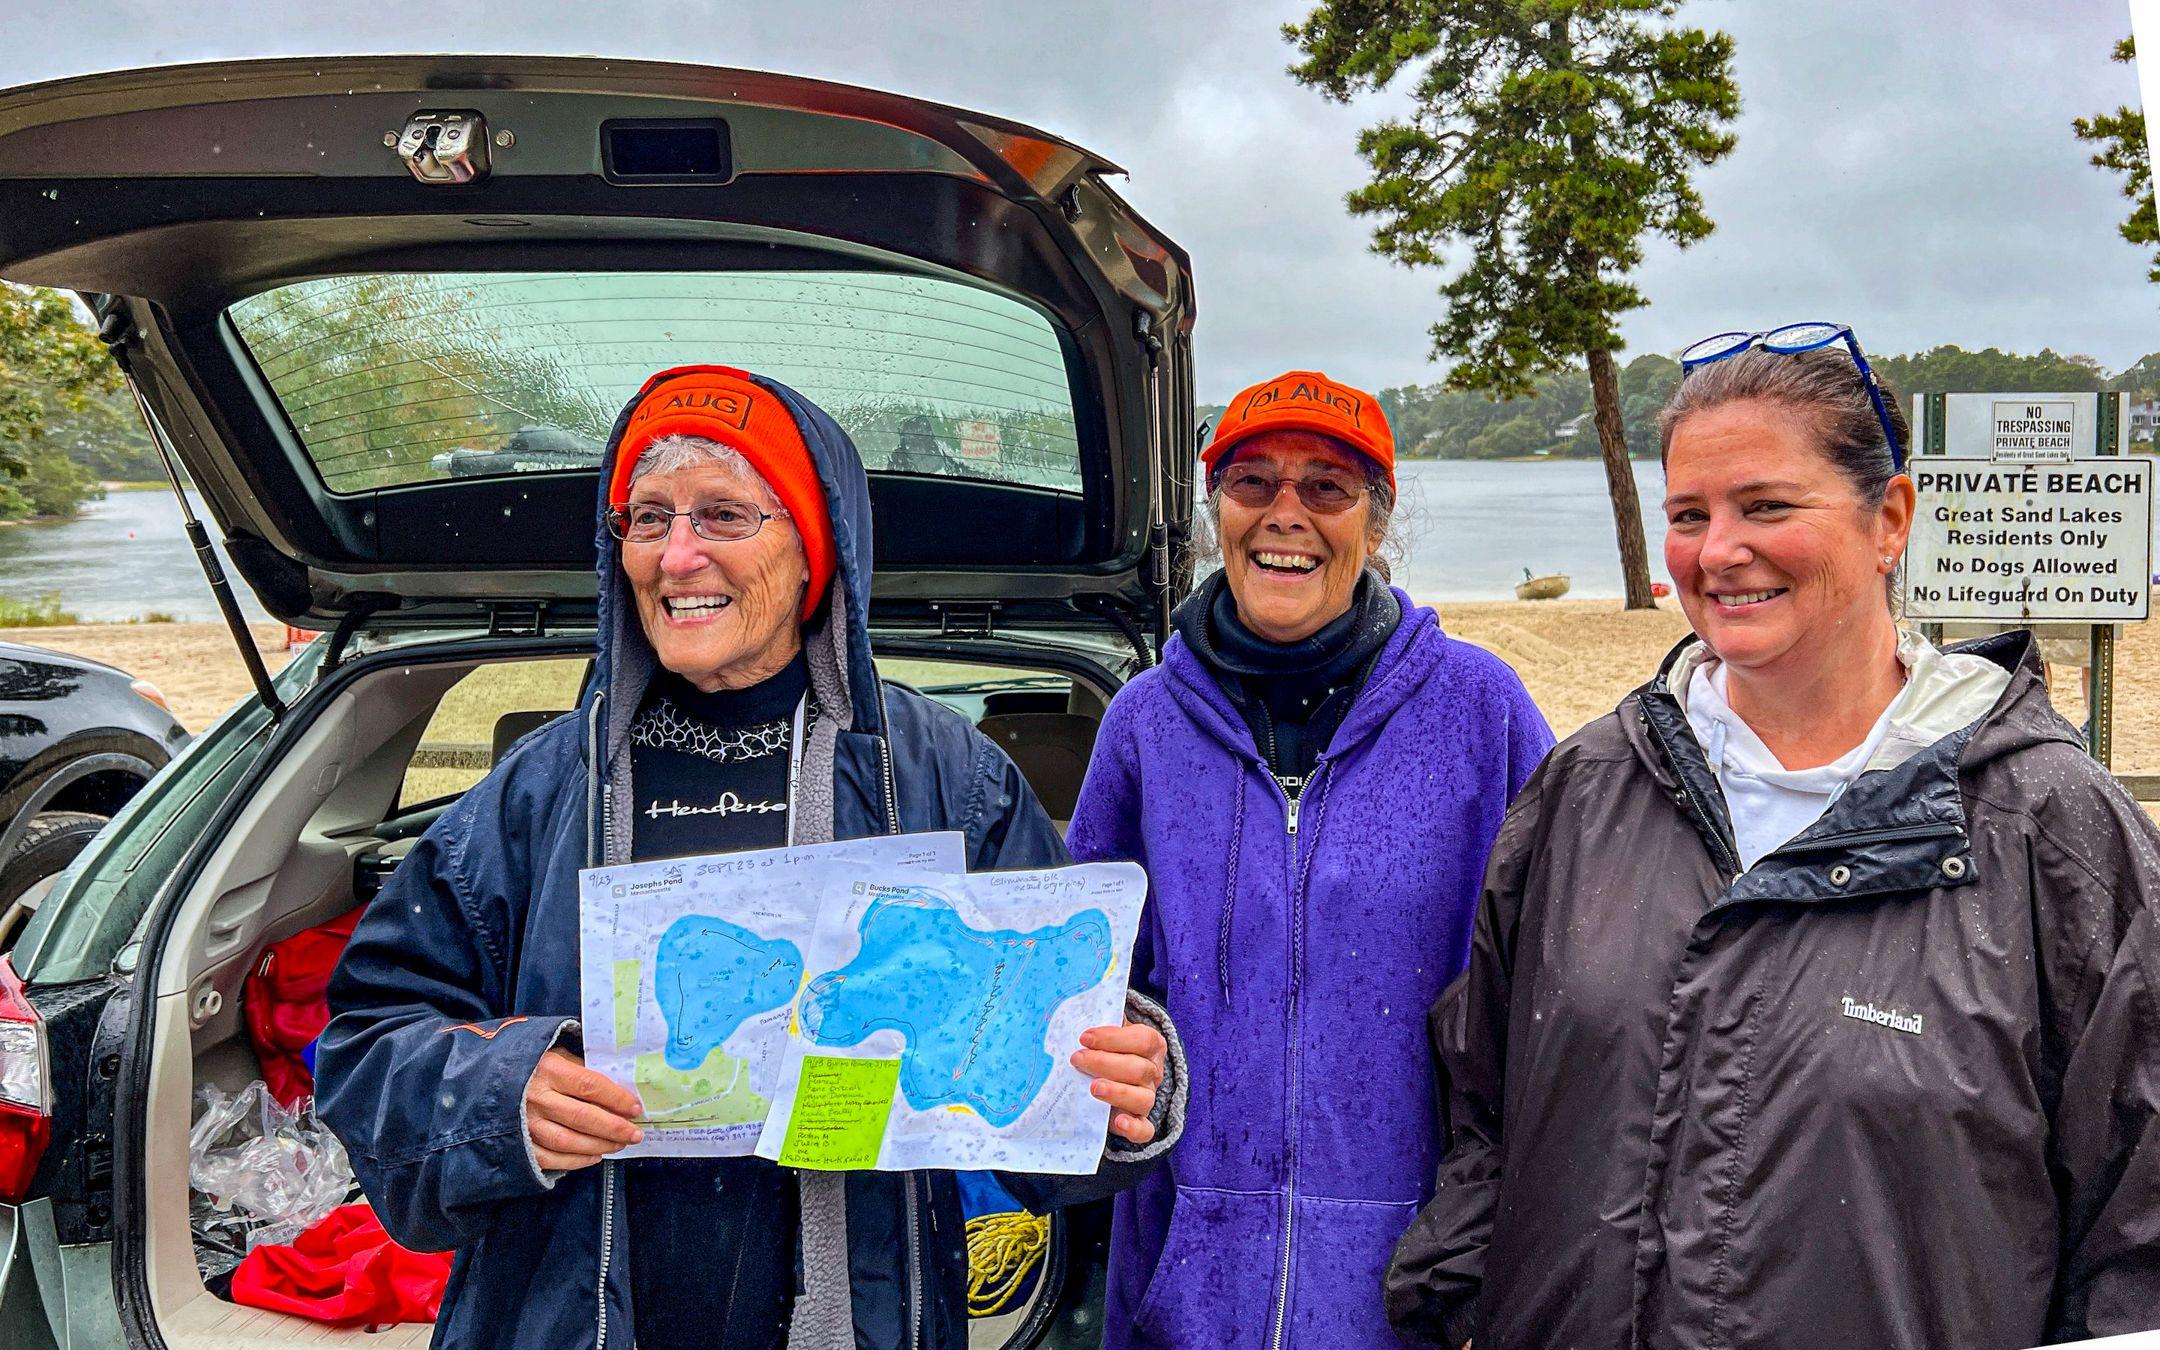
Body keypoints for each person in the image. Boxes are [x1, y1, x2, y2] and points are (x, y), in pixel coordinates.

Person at [316, 365, 1187, 1350]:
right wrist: (498, 1091)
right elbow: (364, 1041)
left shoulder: (946, 779)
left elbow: (1057, 1117)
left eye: (723, 515)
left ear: (816, 549)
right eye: (648, 519)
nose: (677, 556)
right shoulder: (536, 793)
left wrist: (1126, 1087)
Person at [1385, 329, 2160, 1349]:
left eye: (1767, 506)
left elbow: (2137, 1230)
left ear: (1890, 519)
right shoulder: (1587, 791)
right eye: (1688, 516)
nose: (1719, 552)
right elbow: (1482, 1099)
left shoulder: (2049, 828)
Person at [1066, 370, 1553, 1349]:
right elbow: (1087, 982)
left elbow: (1557, 989)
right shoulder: (1143, 727)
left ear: (1375, 522)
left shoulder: (1480, 710)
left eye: (1326, 486)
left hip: (1417, 1288)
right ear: (1217, 513)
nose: (1285, 513)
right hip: (1190, 1293)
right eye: (1253, 483)